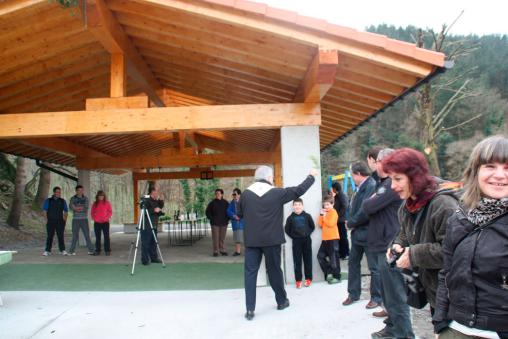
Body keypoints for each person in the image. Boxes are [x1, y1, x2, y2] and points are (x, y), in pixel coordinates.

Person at [433, 135, 508, 339]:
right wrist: (440, 323)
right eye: (490, 166)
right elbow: (446, 272)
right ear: (476, 171)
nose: (500, 175)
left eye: (507, 168)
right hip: (456, 328)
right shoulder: (459, 217)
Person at [382, 148, 459, 318]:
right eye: (390, 180)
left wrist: (413, 254)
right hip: (434, 291)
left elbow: (455, 251)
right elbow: (405, 231)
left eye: (398, 179)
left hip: (454, 295)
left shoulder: (444, 206)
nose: (392, 186)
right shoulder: (407, 205)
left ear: (415, 177)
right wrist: (398, 244)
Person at [237, 165, 317, 321]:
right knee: (274, 271)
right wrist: (311, 176)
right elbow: (298, 190)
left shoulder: (245, 195)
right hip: (272, 240)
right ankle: (281, 301)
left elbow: (240, 214)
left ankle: (250, 309)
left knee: (250, 273)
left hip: (252, 240)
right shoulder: (277, 193)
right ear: (269, 178)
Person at [363, 149, 415, 339]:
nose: (377, 165)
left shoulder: (391, 186)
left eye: (379, 161)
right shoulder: (383, 184)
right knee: (387, 294)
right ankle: (393, 327)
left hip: (391, 245)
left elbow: (367, 206)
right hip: (382, 243)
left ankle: (404, 333)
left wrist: (371, 200)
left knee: (396, 296)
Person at [343, 161, 381, 309]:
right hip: (358, 234)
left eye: (352, 174)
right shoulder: (361, 187)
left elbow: (366, 210)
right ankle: (353, 293)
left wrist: (350, 222)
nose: (352, 177)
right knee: (353, 263)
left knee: (374, 267)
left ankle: (376, 297)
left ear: (358, 174)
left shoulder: (371, 185)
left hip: (369, 232)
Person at [284, 197, 315, 288]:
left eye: (299, 205)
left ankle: (308, 279)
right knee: (297, 261)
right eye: (295, 205)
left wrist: (306, 234)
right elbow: (287, 229)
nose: (297, 206)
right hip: (296, 241)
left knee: (308, 260)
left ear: (302, 206)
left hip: (307, 241)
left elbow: (312, 226)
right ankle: (298, 280)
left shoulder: (307, 216)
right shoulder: (290, 218)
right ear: (293, 206)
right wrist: (294, 236)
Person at [317, 195, 341, 284]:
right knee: (320, 256)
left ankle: (337, 277)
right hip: (325, 239)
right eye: (324, 205)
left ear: (332, 204)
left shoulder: (334, 212)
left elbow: (330, 223)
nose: (326, 206)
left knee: (333, 259)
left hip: (333, 239)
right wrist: (321, 215)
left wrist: (324, 216)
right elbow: (319, 224)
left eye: (328, 204)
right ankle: (329, 272)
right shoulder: (324, 213)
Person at [42, 186, 69, 256]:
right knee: (50, 236)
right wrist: (46, 219)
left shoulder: (63, 201)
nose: (58, 193)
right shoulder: (48, 200)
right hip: (50, 221)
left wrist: (64, 220)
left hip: (60, 221)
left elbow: (66, 211)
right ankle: (47, 250)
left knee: (60, 236)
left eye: (59, 192)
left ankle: (62, 250)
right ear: (54, 193)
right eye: (57, 192)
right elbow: (45, 210)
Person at [68, 185, 94, 255]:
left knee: (87, 235)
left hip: (84, 219)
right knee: (74, 236)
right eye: (79, 190)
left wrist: (76, 208)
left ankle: (91, 250)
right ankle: (71, 251)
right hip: (75, 220)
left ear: (83, 191)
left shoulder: (86, 198)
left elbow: (86, 207)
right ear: (76, 191)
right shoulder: (72, 198)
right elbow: (70, 206)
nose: (80, 192)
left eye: (81, 190)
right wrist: (77, 208)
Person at [141, 187, 164, 265]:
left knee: (153, 242)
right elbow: (143, 209)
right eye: (155, 192)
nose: (157, 193)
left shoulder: (156, 201)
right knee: (145, 243)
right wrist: (154, 210)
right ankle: (145, 260)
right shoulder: (146, 200)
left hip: (154, 224)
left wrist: (161, 200)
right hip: (146, 224)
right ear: (151, 192)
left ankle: (154, 258)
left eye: (157, 192)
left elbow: (160, 206)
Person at [206, 188, 230, 257]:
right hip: (215, 224)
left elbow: (229, 212)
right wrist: (212, 219)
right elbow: (207, 212)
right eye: (216, 194)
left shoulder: (226, 203)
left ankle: (222, 249)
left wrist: (227, 219)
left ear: (222, 194)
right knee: (215, 238)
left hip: (224, 223)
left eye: (219, 193)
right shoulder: (212, 203)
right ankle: (215, 250)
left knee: (222, 238)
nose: (217, 195)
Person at [331, 181, 349, 259]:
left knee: (343, 237)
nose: (331, 190)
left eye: (332, 188)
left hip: (341, 220)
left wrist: (337, 215)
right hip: (337, 220)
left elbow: (345, 206)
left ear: (335, 188)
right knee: (339, 237)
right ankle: (341, 253)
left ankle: (346, 253)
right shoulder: (337, 195)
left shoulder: (342, 195)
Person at [91, 190, 113, 256]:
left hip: (105, 222)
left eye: (102, 196)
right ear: (97, 196)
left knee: (106, 237)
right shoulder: (95, 203)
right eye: (100, 196)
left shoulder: (107, 203)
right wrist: (96, 219)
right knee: (98, 237)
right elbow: (92, 213)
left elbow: (110, 212)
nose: (101, 197)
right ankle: (98, 250)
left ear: (104, 196)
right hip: (97, 223)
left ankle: (107, 250)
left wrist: (105, 218)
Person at [227, 188, 244, 256]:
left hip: (245, 223)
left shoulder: (244, 202)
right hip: (236, 223)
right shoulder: (232, 202)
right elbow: (228, 211)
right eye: (233, 194)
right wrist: (234, 216)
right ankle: (238, 251)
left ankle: (249, 252)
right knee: (237, 238)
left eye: (235, 194)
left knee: (248, 238)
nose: (234, 195)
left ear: (239, 195)